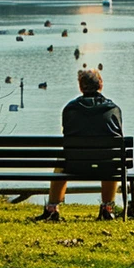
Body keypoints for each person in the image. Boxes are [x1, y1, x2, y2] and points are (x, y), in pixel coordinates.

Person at [34, 68, 124, 222]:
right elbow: (118, 137)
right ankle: (107, 208)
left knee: (61, 162)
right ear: (100, 85)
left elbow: (67, 134)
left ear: (81, 87)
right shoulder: (113, 109)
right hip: (105, 164)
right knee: (112, 161)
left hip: (74, 164)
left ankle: (52, 208)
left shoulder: (70, 109)